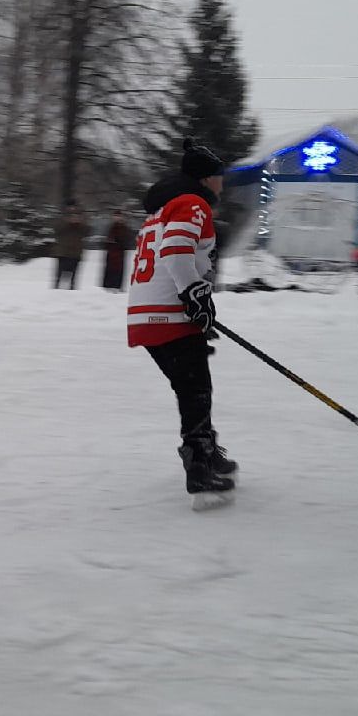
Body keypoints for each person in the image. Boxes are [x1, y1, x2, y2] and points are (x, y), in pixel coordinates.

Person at [128, 138, 235, 505]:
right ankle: (199, 467)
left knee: (192, 386)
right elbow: (175, 252)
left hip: (147, 315)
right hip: (168, 313)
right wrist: (195, 294)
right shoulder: (193, 203)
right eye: (219, 176)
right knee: (195, 389)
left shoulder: (161, 210)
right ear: (206, 179)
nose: (223, 183)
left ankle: (207, 450)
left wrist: (198, 302)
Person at [52, 203, 86, 289]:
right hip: (63, 253)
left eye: (74, 208)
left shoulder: (81, 222)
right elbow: (56, 229)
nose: (72, 210)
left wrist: (79, 223)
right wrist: (66, 222)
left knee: (73, 278)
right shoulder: (62, 220)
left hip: (75, 253)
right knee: (59, 276)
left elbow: (87, 231)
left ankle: (72, 291)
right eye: (71, 208)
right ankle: (55, 291)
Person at [102, 210, 132, 292]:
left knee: (118, 271)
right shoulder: (111, 227)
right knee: (109, 271)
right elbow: (106, 241)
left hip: (119, 255)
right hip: (110, 254)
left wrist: (118, 242)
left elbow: (127, 241)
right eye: (115, 216)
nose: (116, 218)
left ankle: (117, 287)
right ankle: (107, 287)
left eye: (118, 216)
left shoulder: (125, 228)